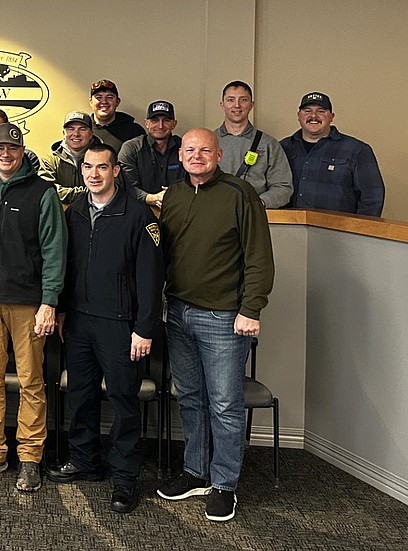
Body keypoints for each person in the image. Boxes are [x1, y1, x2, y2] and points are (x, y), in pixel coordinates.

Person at [156, 128, 275, 522]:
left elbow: (259, 257)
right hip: (178, 313)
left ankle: (224, 485)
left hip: (224, 318)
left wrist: (251, 309)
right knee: (190, 398)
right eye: (189, 150)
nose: (196, 156)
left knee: (225, 405)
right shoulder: (172, 195)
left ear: (218, 154)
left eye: (204, 150)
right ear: (181, 154)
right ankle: (196, 472)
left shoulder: (241, 194)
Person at [44, 143, 164, 514]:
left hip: (120, 325)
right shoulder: (75, 211)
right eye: (88, 168)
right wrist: (62, 309)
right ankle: (85, 461)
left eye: (102, 167)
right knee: (80, 395)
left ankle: (125, 478)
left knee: (125, 401)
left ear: (116, 171)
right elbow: (66, 265)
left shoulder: (139, 216)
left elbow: (151, 278)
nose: (94, 174)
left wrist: (144, 328)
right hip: (78, 320)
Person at [0, 123, 66, 493]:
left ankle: (30, 457)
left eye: (12, 148)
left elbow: (55, 252)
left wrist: (49, 302)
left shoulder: (44, 193)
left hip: (28, 305)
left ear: (22, 152)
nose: (5, 154)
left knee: (31, 383)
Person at [280, 92, 385, 216]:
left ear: (331, 116)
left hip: (338, 232)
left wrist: (360, 231)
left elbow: (372, 197)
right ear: (298, 116)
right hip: (289, 230)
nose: (313, 116)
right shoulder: (282, 147)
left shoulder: (357, 150)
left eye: (321, 111)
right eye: (307, 111)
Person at [215, 81, 293, 208]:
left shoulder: (269, 144)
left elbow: (283, 187)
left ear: (251, 105)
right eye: (230, 100)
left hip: (254, 216)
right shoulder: (208, 141)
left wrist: (258, 203)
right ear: (222, 105)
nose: (237, 105)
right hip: (215, 213)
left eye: (243, 100)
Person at [119, 101, 186, 208]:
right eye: (155, 120)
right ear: (146, 123)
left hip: (179, 208)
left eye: (166, 120)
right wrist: (151, 198)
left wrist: (176, 194)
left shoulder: (185, 147)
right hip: (140, 211)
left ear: (174, 124)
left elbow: (195, 180)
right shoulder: (131, 148)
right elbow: (127, 186)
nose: (160, 126)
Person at [39, 111, 97, 204]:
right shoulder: (49, 161)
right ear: (63, 133)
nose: (76, 134)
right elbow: (46, 190)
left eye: (82, 129)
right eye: (71, 129)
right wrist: (88, 194)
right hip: (61, 217)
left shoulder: (102, 159)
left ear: (91, 134)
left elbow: (109, 187)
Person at [87, 79, 145, 151]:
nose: (104, 101)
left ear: (117, 102)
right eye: (99, 97)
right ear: (91, 102)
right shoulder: (81, 130)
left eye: (109, 97)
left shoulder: (134, 132)